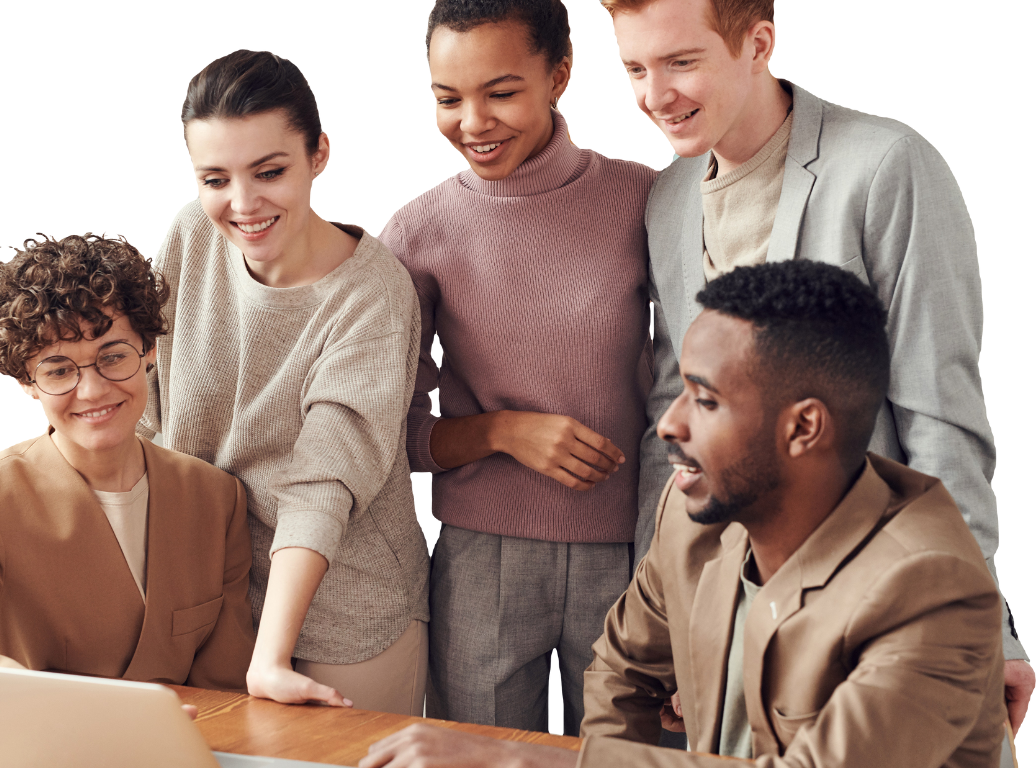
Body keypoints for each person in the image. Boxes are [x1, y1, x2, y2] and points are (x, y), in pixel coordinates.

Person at [361, 261, 1008, 768]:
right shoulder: (694, 512)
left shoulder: (933, 590)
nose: (668, 424)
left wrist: (516, 758)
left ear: (804, 426)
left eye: (704, 401)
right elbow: (621, 672)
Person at [602, 0, 1032, 732]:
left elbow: (941, 420)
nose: (653, 96)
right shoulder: (668, 199)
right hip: (731, 609)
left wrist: (987, 623)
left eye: (681, 62)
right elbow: (670, 426)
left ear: (759, 42)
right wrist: (675, 622)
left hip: (873, 596)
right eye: (635, 68)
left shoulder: (886, 167)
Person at [377, 0, 656, 735]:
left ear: (559, 73)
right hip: (480, 563)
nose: (473, 122)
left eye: (500, 92)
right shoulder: (416, 233)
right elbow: (384, 435)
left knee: (632, 759)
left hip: (633, 554)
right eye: (447, 98)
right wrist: (501, 432)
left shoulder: (647, 200)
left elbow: (702, 382)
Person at [140, 50, 430, 716]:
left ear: (318, 154)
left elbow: (323, 479)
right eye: (216, 178)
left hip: (347, 610)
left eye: (269, 172)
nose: (243, 204)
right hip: (214, 593)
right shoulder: (191, 236)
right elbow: (145, 406)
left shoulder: (372, 293)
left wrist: (270, 656)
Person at [0, 234, 255, 691]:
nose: (94, 390)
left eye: (113, 357)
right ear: (27, 380)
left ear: (150, 351)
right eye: (59, 370)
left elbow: (226, 684)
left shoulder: (217, 498)